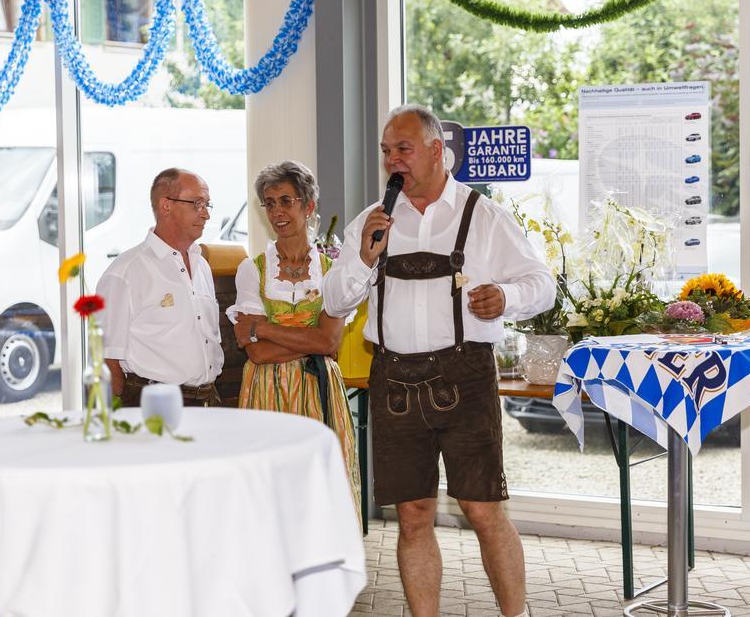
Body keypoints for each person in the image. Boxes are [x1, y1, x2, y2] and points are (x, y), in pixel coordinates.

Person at [323, 104, 555, 617]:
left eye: (402, 149)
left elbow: (543, 284)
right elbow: (333, 302)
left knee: (483, 509)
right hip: (394, 382)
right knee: (413, 513)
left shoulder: (484, 215)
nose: (392, 161)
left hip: (466, 376)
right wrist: (363, 256)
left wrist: (506, 297)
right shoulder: (372, 221)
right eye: (386, 152)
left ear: (435, 150)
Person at [228, 160, 362, 523]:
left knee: (318, 488)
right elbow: (255, 352)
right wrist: (314, 338)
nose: (277, 212)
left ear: (308, 206)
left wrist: (265, 327)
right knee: (269, 488)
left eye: (286, 201)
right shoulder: (250, 269)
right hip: (265, 390)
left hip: (319, 388)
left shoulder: (332, 272)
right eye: (269, 203)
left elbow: (330, 343)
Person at [97, 168, 223, 407]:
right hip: (155, 404)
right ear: (166, 206)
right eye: (197, 203)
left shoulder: (202, 265)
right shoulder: (125, 272)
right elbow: (107, 360)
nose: (205, 214)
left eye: (207, 204)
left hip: (208, 399)